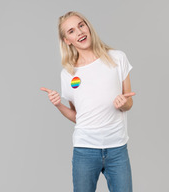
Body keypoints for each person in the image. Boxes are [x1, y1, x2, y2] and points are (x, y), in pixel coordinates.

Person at [41, 11, 135, 192]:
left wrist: (123, 103)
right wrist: (58, 104)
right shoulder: (69, 74)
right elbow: (79, 116)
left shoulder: (117, 58)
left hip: (117, 149)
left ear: (88, 27)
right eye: (71, 31)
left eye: (81, 25)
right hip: (85, 151)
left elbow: (129, 103)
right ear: (67, 40)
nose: (79, 32)